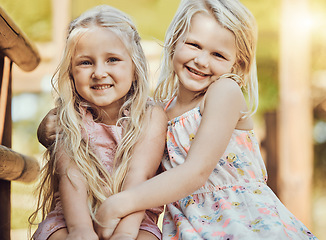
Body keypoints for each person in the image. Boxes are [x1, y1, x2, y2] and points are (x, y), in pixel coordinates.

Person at [90, 0, 318, 239]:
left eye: (218, 54)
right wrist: (50, 127)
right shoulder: (159, 112)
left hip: (240, 220)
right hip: (189, 224)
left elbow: (196, 172)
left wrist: (121, 203)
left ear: (237, 63)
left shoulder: (224, 92)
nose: (201, 60)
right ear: (175, 41)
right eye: (194, 45)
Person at [29, 5, 167, 240]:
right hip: (72, 218)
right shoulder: (70, 117)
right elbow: (72, 177)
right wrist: (80, 230)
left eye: (112, 59)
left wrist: (124, 232)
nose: (99, 72)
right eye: (85, 63)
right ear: (71, 72)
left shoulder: (151, 116)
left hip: (135, 218)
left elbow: (139, 177)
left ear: (135, 68)